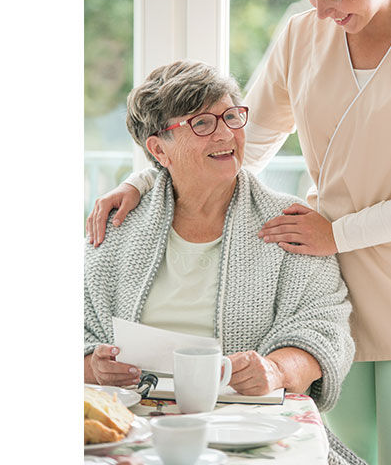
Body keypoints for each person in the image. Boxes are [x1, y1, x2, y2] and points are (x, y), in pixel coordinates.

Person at [86, 0, 391, 463]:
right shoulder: (301, 32)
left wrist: (338, 233)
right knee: (340, 452)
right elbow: (244, 141)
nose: (322, 10)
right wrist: (148, 178)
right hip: (331, 279)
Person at [83, 60, 362, 465]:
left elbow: (323, 326)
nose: (227, 133)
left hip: (250, 423)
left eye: (231, 116)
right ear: (159, 150)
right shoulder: (116, 229)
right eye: (202, 123)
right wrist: (92, 366)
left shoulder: (290, 223)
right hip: (135, 421)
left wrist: (276, 371)